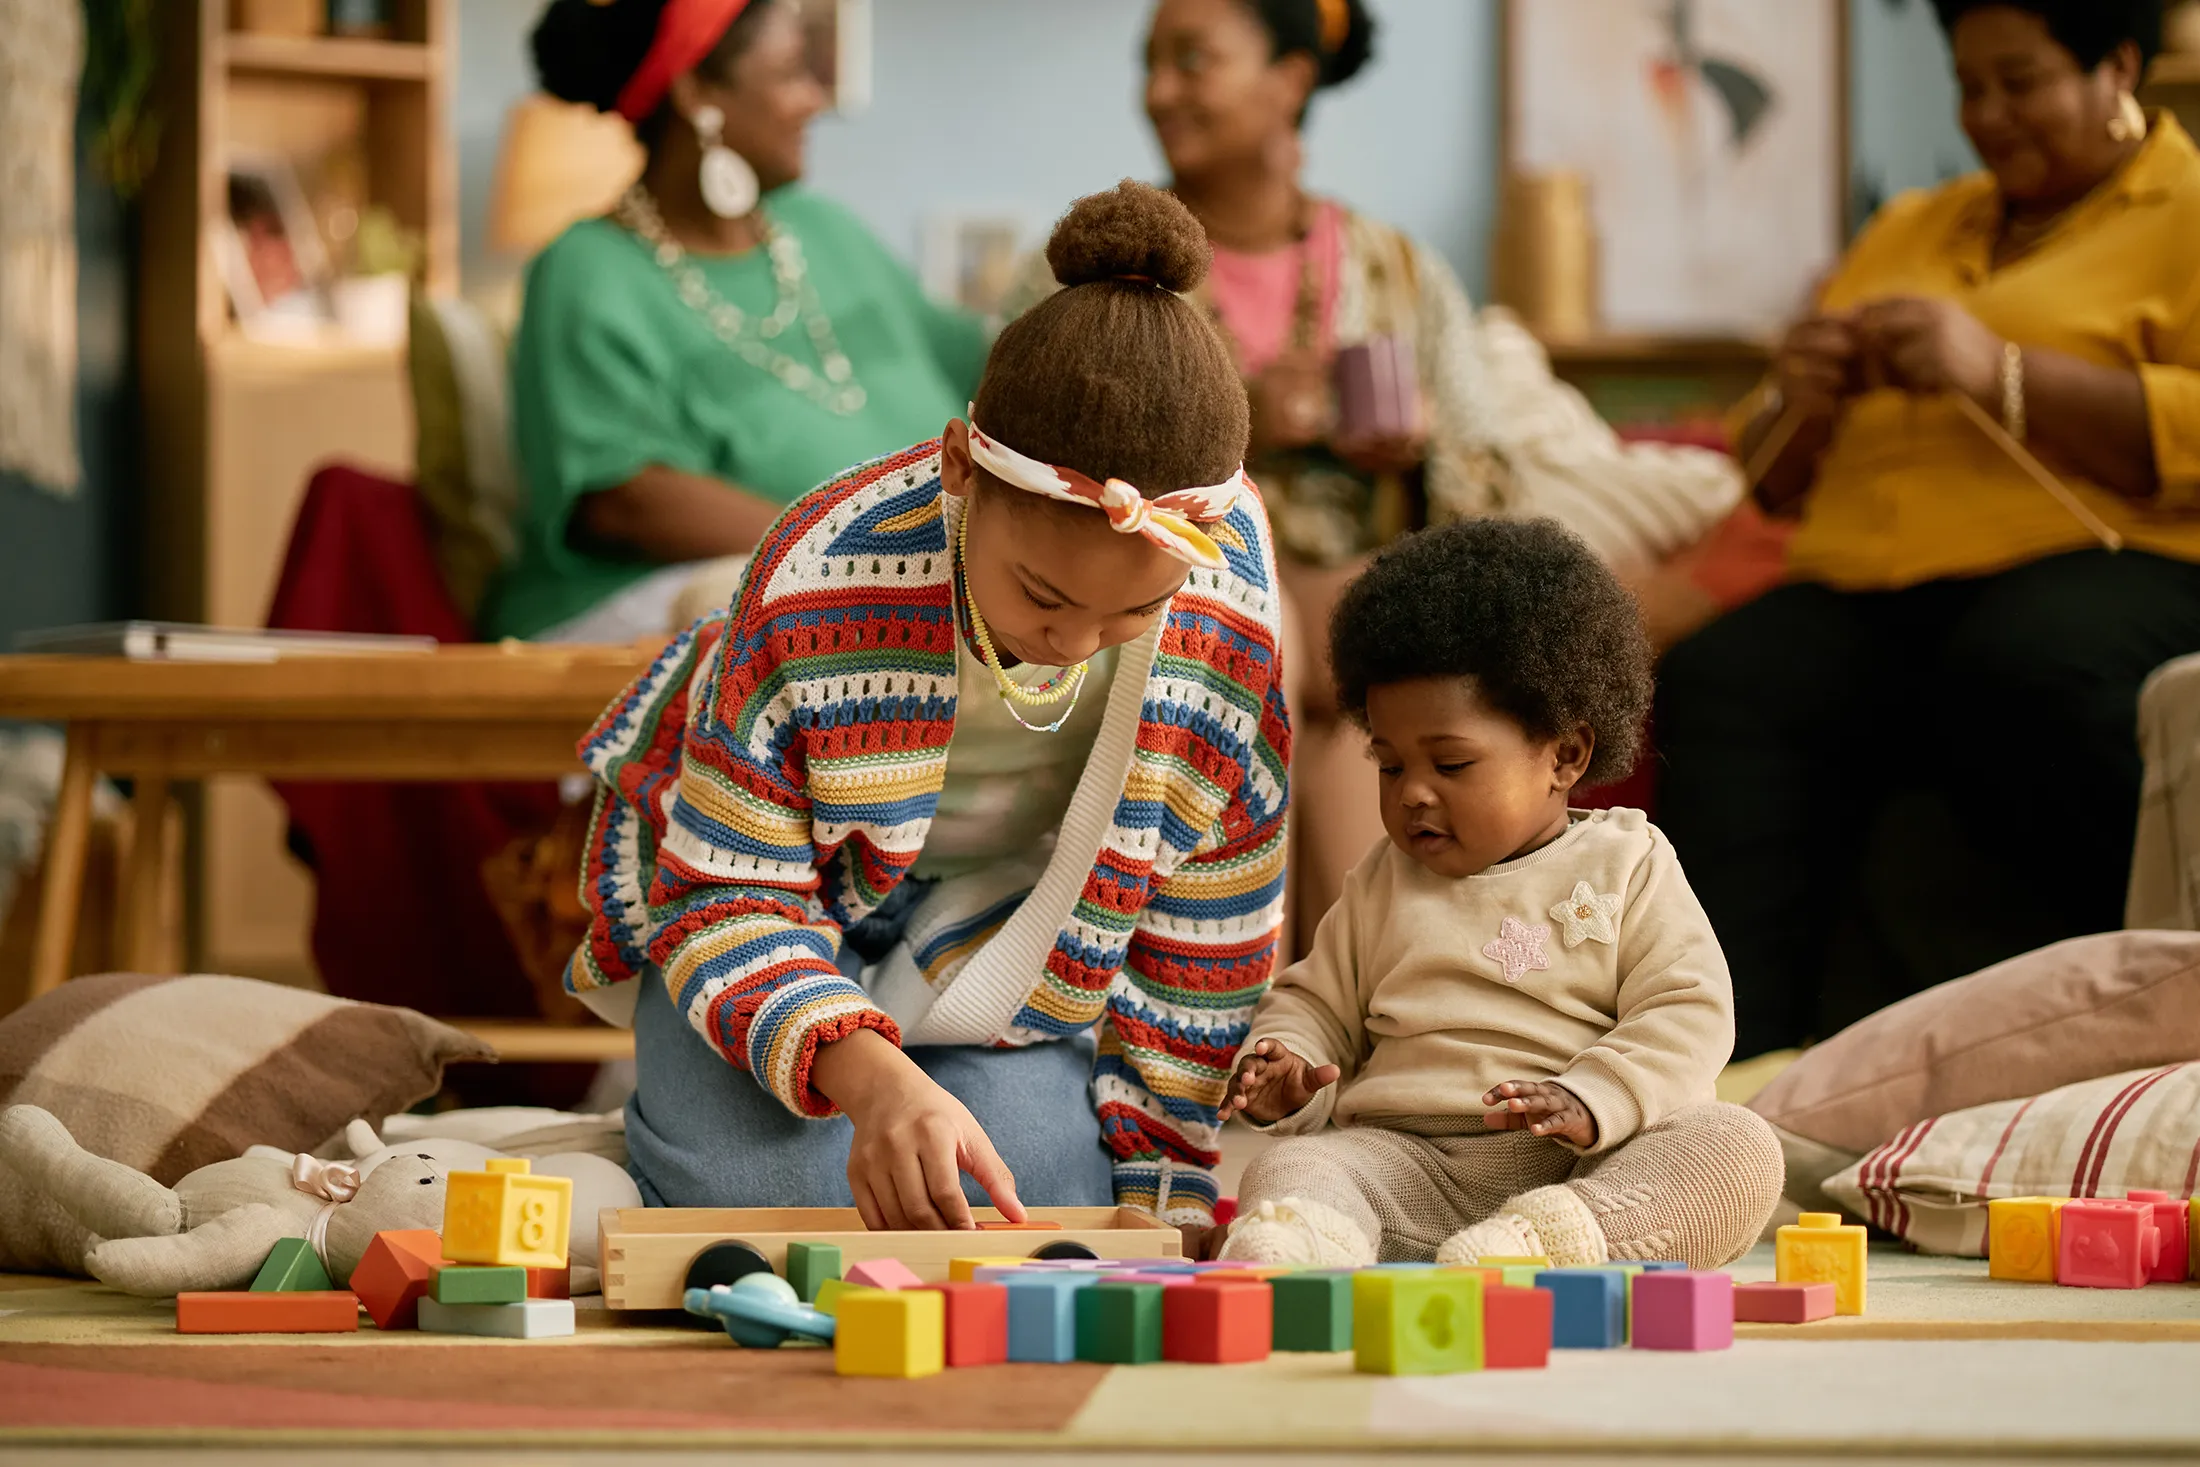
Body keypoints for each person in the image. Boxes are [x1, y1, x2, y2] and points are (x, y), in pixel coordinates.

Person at [565, 183, 1291, 1232]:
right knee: (762, 1207)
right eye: (1043, 596)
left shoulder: (1224, 597)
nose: (1076, 642)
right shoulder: (820, 582)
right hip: (764, 898)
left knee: (1036, 1201)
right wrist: (872, 1081)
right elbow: (729, 895)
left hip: (1000, 935)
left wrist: (1158, 1185)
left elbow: (1205, 927)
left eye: (1133, 610)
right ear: (956, 469)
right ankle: (655, 1117)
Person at [1122, 0, 1742, 950]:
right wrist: (1242, 413)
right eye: (1151, 64)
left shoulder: (1399, 270)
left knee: (1360, 724)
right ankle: (1255, 1015)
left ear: (1290, 78)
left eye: (1191, 60)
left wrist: (1415, 443)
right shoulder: (1112, 265)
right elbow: (1060, 450)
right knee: (1281, 647)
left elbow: (1487, 475)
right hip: (1186, 599)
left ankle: (1341, 1037)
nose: (1158, 92)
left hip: (1357, 618)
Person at [1656, 0, 2200, 1059]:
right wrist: (1798, 400)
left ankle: (2123, 1024)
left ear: (2116, 67)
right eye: (1968, 85)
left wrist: (1995, 370)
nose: (1987, 114)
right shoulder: (1912, 226)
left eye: (2021, 80)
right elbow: (1772, 486)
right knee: (1730, 679)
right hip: (1882, 589)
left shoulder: (2186, 214)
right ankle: (1737, 1073)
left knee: (2026, 662)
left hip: (2114, 563)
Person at [1212, 520, 1781, 1269]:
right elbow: (1316, 1001)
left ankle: (1542, 1244)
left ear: (1565, 755)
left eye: (1451, 764)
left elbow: (1690, 1010)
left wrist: (1597, 1095)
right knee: (1288, 1169)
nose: (1413, 793)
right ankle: (1308, 1243)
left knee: (1737, 1150)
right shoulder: (1383, 879)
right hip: (1406, 1164)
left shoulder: (1627, 863)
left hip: (1579, 1166)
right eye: (1389, 765)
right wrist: (1289, 1060)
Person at [488, 0, 988, 643]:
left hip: (923, 586)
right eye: (789, 72)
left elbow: (987, 367)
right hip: (664, 604)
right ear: (697, 90)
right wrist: (869, 555)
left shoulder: (828, 233)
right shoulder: (586, 270)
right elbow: (625, 500)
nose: (815, 99)